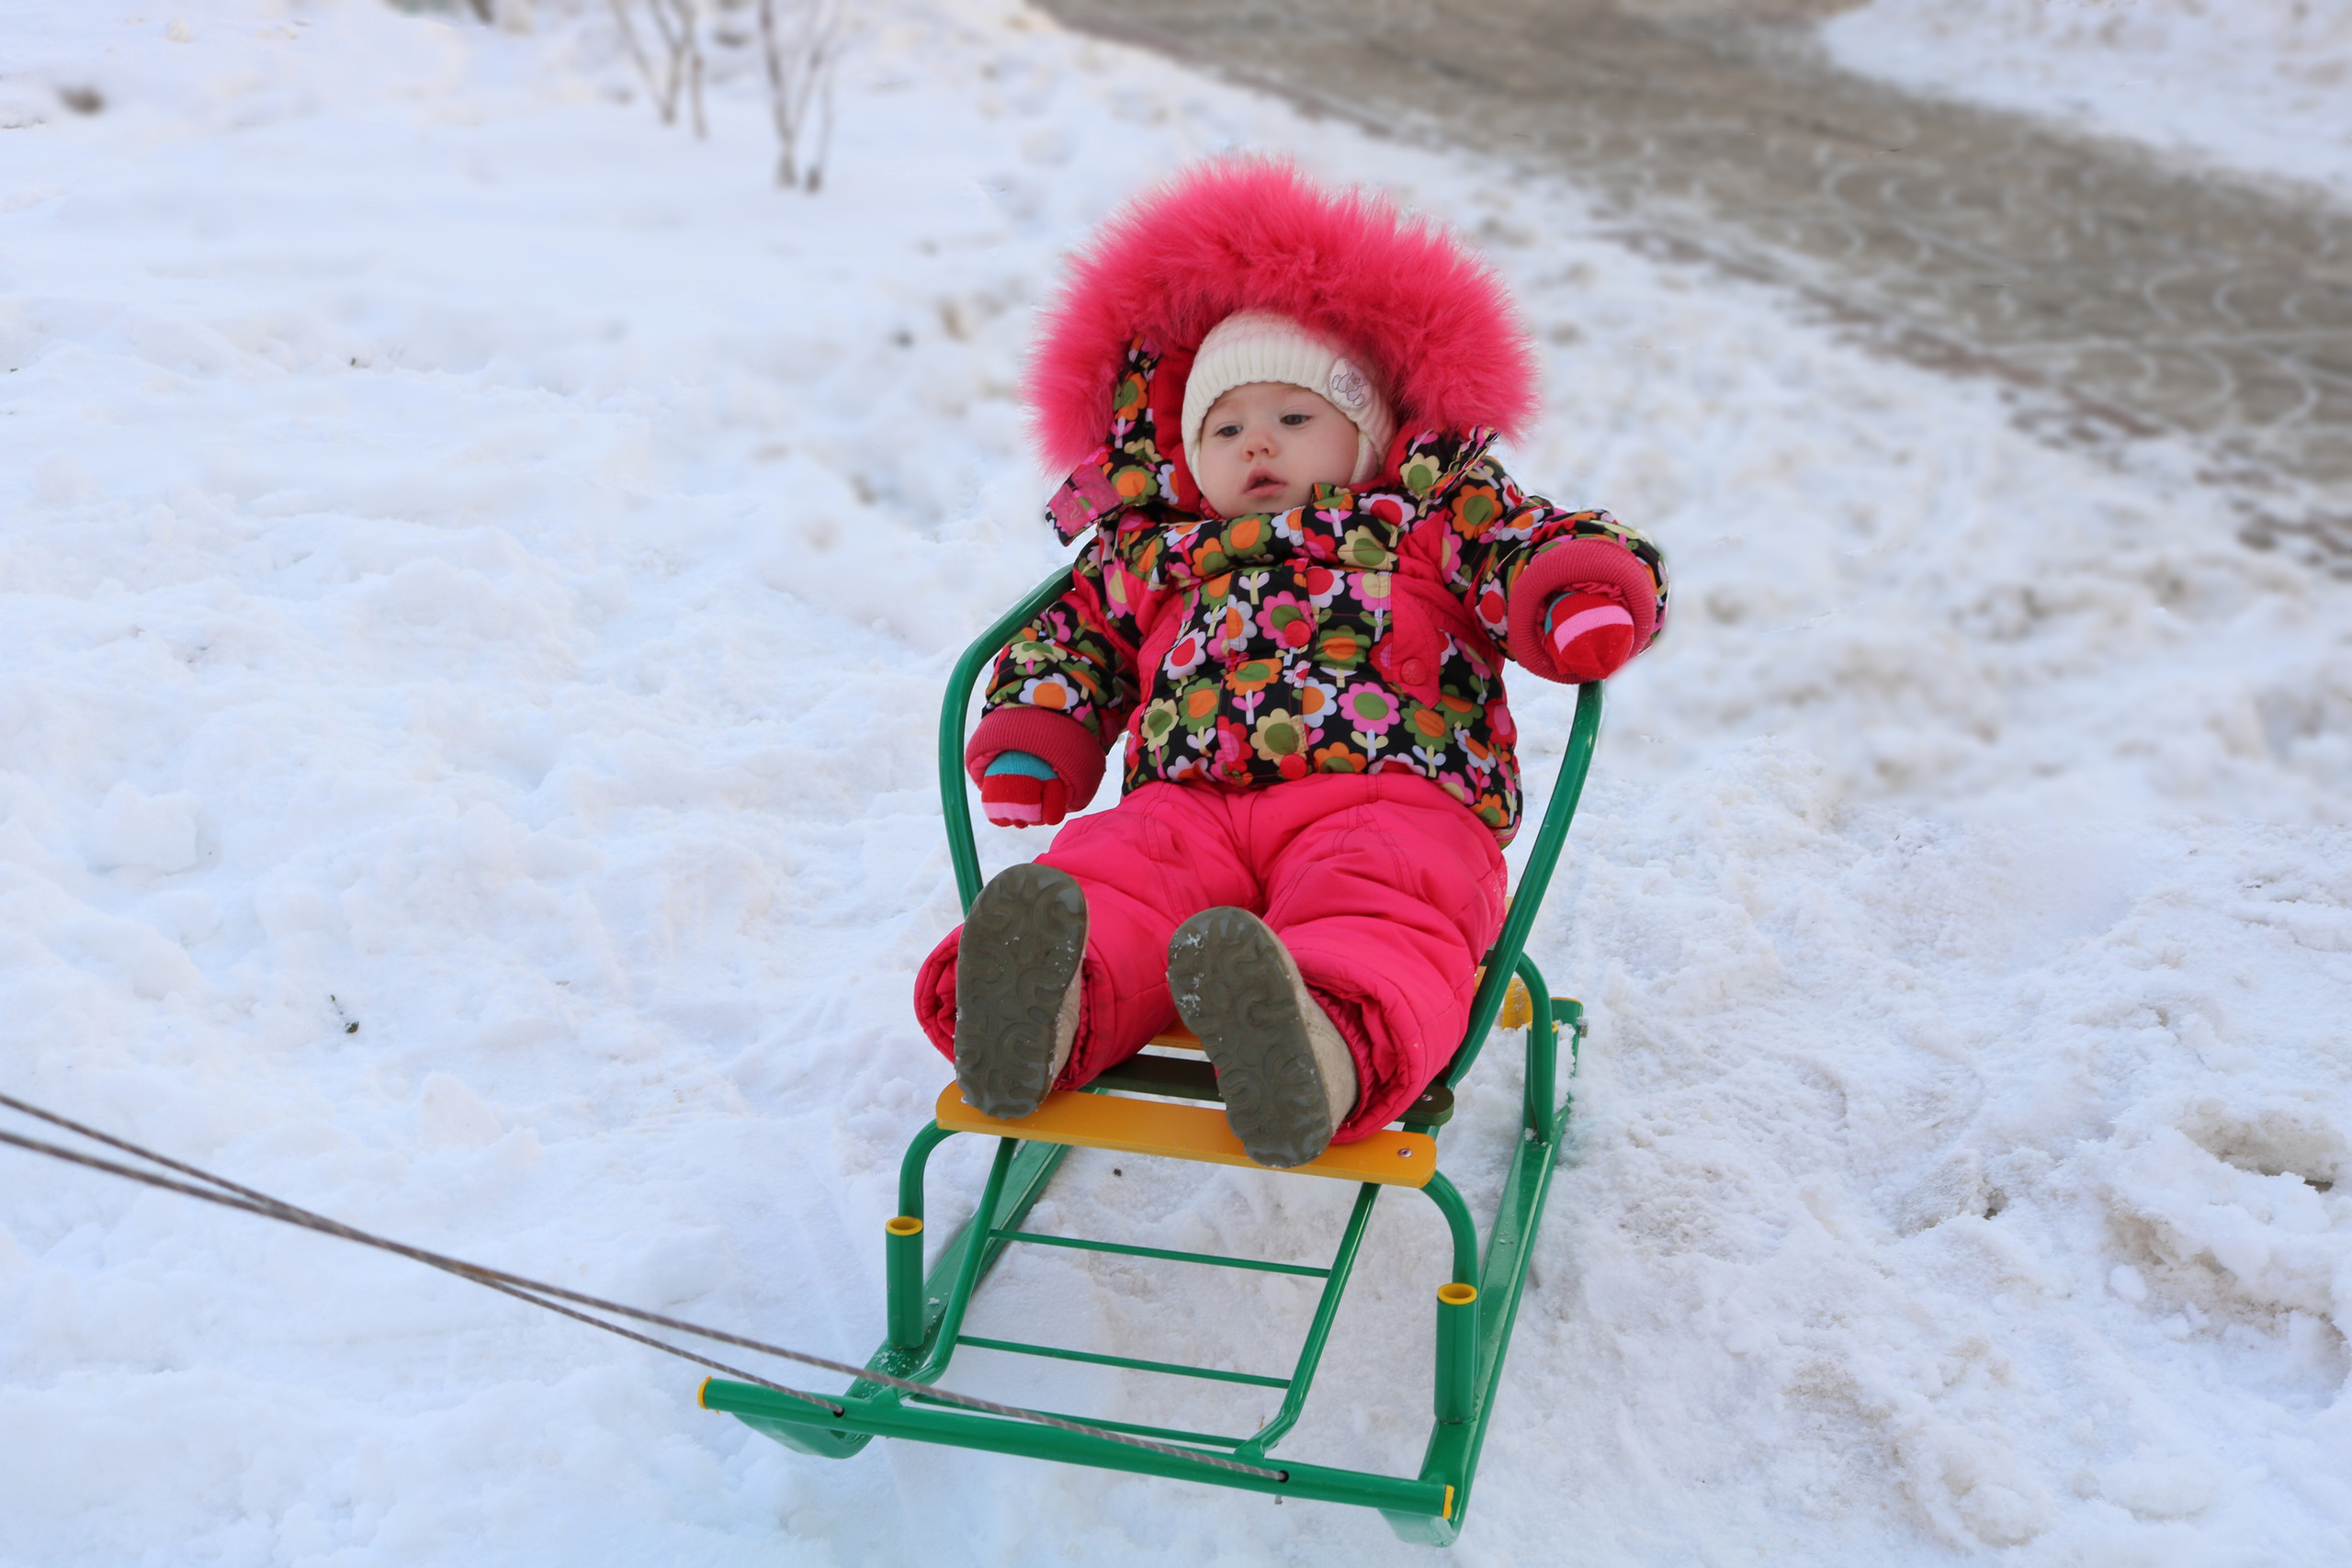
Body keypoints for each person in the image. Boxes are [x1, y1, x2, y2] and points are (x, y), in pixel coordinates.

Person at [913, 157, 1669, 1167]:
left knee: (1384, 902)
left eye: (1295, 418)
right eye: (1224, 428)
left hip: (1389, 796)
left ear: (1367, 435)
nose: (1255, 442)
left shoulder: (1427, 518)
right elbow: (1075, 637)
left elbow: (1525, 542)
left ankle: (1313, 1044)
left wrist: (1573, 590)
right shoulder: (1158, 549)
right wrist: (1037, 731)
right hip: (1186, 807)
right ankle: (1038, 1006)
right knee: (1112, 880)